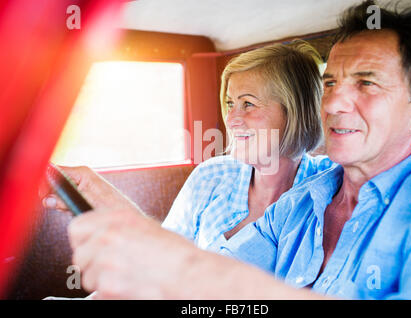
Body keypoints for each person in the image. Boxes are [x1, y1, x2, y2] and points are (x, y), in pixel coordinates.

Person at [64, 0, 411, 299]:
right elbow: (217, 281)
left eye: (366, 84)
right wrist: (99, 198)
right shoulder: (303, 202)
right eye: (330, 83)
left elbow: (196, 274)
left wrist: (180, 269)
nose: (333, 104)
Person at [44, 41, 334, 251]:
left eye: (248, 104)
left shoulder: (329, 189)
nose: (231, 118)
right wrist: (100, 195)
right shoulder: (213, 175)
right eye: (230, 103)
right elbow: (163, 257)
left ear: (295, 111)